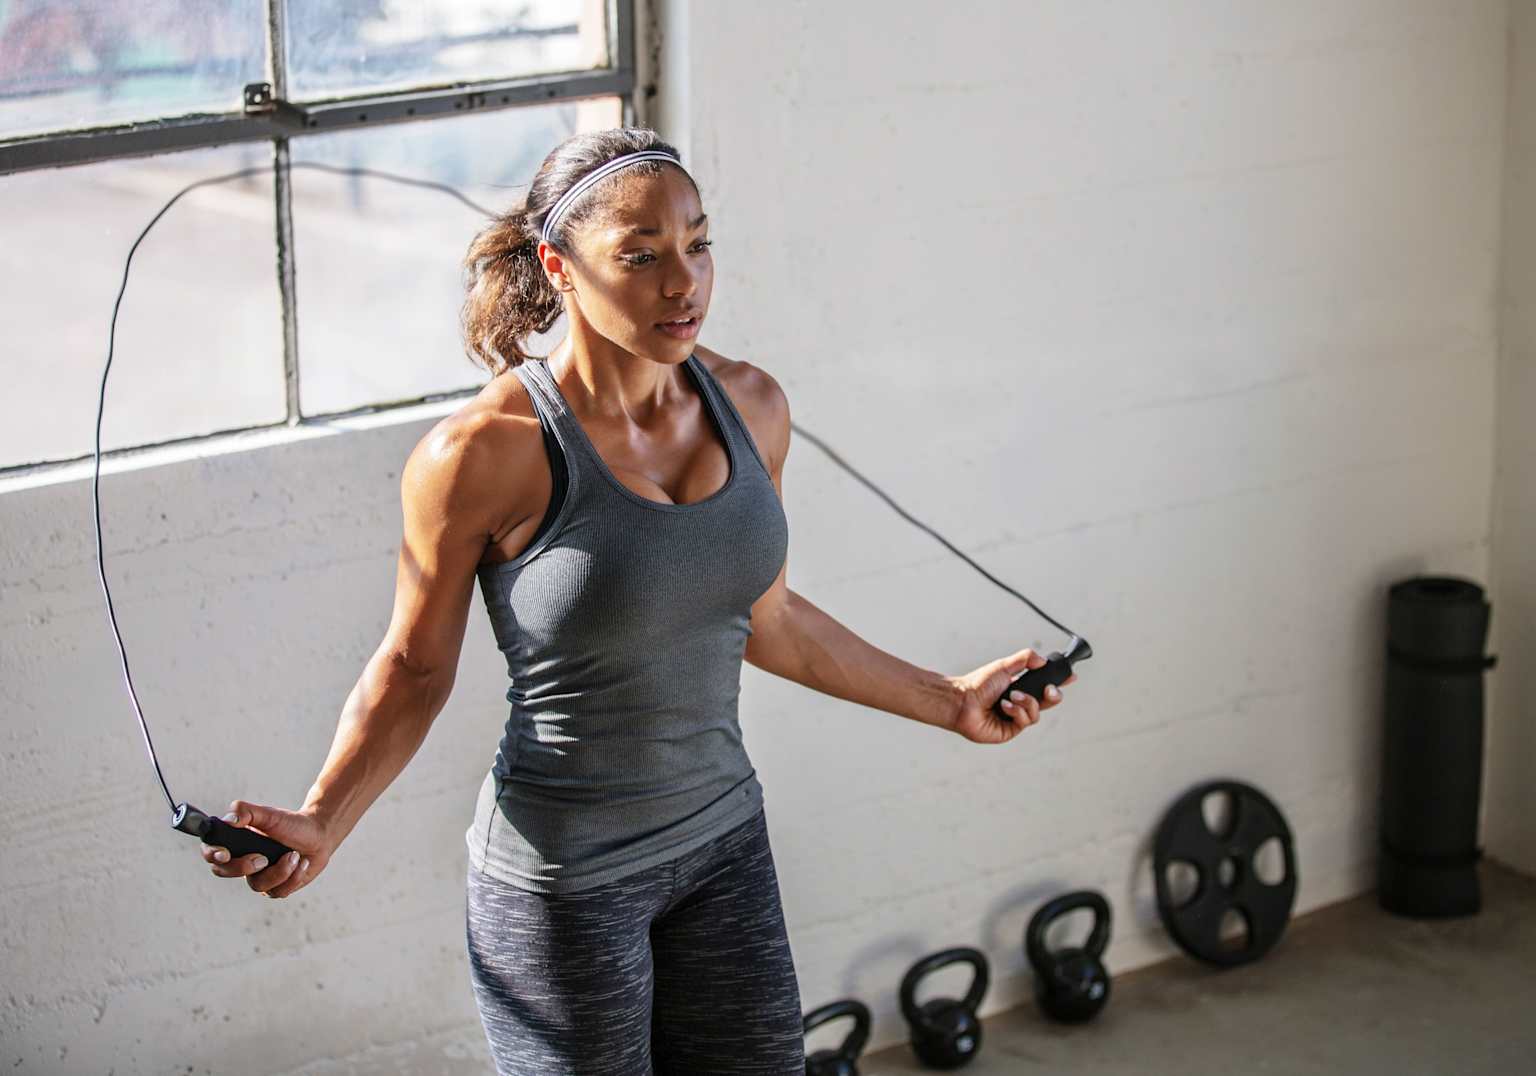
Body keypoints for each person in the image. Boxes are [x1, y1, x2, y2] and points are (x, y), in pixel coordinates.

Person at [197, 126, 1075, 1074]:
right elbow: (413, 668)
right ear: (559, 268)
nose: (683, 282)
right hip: (565, 884)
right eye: (641, 256)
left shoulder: (754, 406)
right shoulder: (481, 452)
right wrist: (323, 816)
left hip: (722, 846)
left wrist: (949, 701)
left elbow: (765, 619)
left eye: (698, 244)